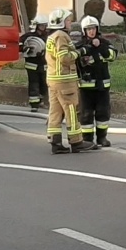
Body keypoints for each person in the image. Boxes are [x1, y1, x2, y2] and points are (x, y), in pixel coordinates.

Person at [44, 8, 83, 154]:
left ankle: (55, 142)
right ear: (60, 22)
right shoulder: (61, 36)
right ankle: (76, 141)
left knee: (55, 111)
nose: (70, 23)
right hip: (65, 81)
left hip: (53, 79)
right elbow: (64, 58)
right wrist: (77, 53)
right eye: (68, 20)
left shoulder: (52, 36)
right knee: (71, 110)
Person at [76, 14, 114, 149]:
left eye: (93, 28)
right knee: (86, 113)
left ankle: (102, 137)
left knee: (103, 112)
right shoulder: (80, 46)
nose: (91, 31)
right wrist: (89, 48)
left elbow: (112, 56)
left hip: (103, 86)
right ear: (84, 31)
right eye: (88, 29)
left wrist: (100, 47)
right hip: (86, 88)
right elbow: (75, 60)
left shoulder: (104, 43)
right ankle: (87, 139)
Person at [22, 16, 49, 112]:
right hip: (32, 64)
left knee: (44, 83)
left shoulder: (47, 37)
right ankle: (34, 104)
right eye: (41, 26)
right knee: (34, 83)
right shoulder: (27, 36)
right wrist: (26, 49)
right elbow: (20, 46)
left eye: (44, 26)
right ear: (36, 26)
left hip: (44, 64)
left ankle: (40, 99)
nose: (43, 28)